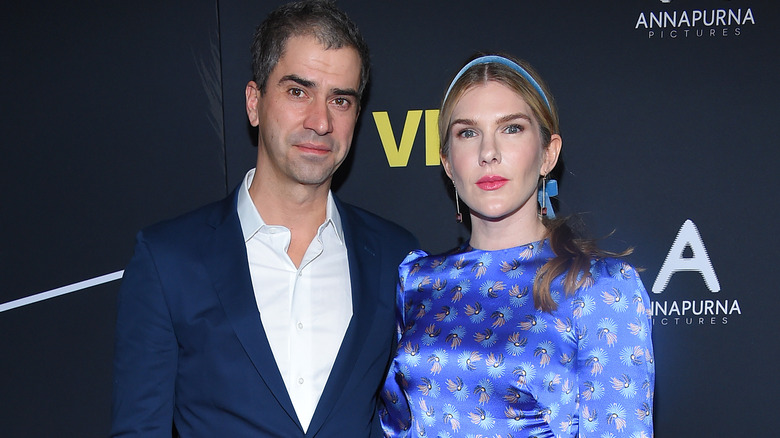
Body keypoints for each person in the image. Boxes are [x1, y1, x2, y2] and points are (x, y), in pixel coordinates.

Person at [110, 1, 417, 436]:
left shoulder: (394, 255)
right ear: (254, 103)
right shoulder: (168, 260)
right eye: (298, 91)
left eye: (340, 100)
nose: (321, 121)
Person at [379, 54, 654, 437]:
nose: (488, 152)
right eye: (468, 133)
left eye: (511, 129)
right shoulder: (416, 281)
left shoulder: (599, 286)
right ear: (447, 162)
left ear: (548, 153)